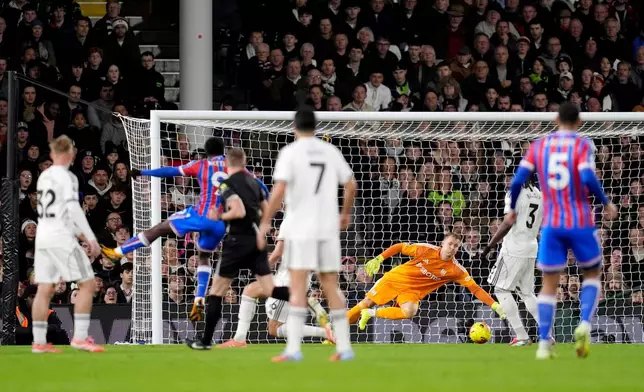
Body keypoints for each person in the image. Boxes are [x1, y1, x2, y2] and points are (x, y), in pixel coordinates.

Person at [101, 137, 267, 322]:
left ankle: (118, 251)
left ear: (206, 151)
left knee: (158, 230)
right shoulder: (236, 167)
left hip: (200, 215)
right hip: (220, 222)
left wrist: (143, 172)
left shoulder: (201, 164)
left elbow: (170, 171)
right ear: (224, 152)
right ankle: (199, 299)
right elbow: (260, 186)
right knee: (204, 256)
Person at [507, 102, 618, 359]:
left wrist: (512, 208)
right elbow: (588, 177)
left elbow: (517, 181)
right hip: (580, 220)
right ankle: (584, 324)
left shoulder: (539, 146)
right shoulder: (582, 145)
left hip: (552, 223)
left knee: (548, 284)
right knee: (592, 274)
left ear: (556, 118)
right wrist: (606, 201)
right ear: (579, 122)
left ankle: (544, 344)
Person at [258, 109, 358, 362]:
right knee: (330, 286)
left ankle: (293, 351)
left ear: (294, 127)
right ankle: (344, 347)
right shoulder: (330, 151)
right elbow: (351, 184)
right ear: (315, 126)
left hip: (301, 228)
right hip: (327, 227)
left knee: (298, 286)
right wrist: (345, 214)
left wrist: (266, 221)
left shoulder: (290, 153)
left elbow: (279, 190)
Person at [186, 148, 290, 350]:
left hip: (236, 243)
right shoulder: (254, 182)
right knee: (270, 289)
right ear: (244, 162)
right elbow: (267, 210)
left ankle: (205, 341)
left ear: (227, 164)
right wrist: (262, 234)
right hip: (256, 243)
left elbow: (238, 210)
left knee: (216, 292)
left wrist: (220, 216)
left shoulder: (226, 184)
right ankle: (301, 297)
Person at [31, 135, 103, 353]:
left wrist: (79, 235)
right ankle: (80, 337)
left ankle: (39, 342)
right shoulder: (68, 177)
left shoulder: (44, 176)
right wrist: (90, 237)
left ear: (52, 155)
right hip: (61, 238)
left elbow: (58, 212)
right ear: (71, 155)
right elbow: (72, 209)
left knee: (44, 288)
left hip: (43, 237)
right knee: (88, 284)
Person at [347, 233, 507, 329]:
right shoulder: (426, 249)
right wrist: (379, 258)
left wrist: (494, 305)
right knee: (365, 302)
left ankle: (370, 314)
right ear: (442, 244)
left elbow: (475, 289)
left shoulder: (456, 270)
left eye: (456, 246)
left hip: (412, 292)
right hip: (395, 279)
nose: (452, 248)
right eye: (450, 244)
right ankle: (336, 331)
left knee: (409, 312)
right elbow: (400, 247)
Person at [218, 224, 334, 347]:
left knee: (274, 328)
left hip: (287, 281)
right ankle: (239, 339)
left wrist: (262, 269)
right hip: (294, 278)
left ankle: (326, 332)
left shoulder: (289, 221)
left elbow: (278, 252)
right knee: (250, 290)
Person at [482, 175, 542, 346]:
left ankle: (522, 336)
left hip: (514, 247)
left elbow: (508, 222)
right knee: (527, 292)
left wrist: (490, 246)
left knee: (500, 289)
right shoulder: (539, 194)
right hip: (531, 246)